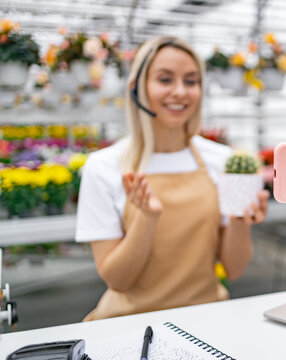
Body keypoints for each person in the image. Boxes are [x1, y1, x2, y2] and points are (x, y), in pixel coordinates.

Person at [75, 36, 270, 321]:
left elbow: (234, 269)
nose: (180, 92)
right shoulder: (103, 167)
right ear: (136, 89)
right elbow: (118, 280)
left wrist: (241, 218)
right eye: (165, 80)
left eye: (191, 82)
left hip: (205, 319)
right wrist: (146, 219)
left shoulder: (223, 160)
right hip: (127, 326)